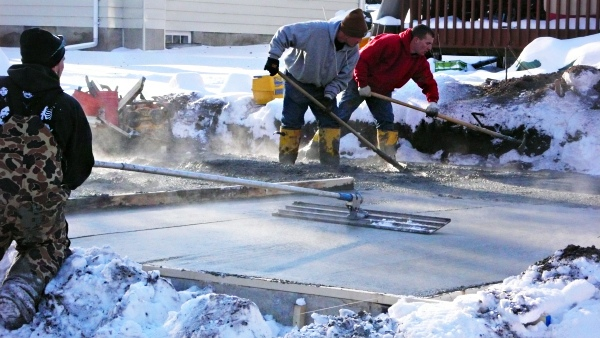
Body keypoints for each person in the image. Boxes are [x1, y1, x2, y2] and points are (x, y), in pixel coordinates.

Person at [0, 28, 94, 330]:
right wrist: (54, 190)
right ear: (56, 64)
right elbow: (80, 166)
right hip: (38, 212)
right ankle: (17, 294)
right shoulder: (65, 106)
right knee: (46, 245)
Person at [304, 24, 439, 161]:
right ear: (416, 40)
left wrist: (432, 101)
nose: (429, 48)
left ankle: (388, 158)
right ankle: (316, 149)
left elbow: (427, 81)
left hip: (382, 91)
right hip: (359, 84)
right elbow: (361, 59)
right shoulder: (389, 42)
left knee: (386, 122)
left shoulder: (419, 62)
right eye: (427, 43)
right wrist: (362, 84)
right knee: (341, 115)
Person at [264, 8, 368, 166]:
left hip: (324, 88)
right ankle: (286, 163)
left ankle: (330, 164)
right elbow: (284, 33)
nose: (360, 41)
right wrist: (273, 57)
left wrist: (330, 93)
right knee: (292, 121)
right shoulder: (316, 31)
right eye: (358, 37)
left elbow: (344, 77)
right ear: (346, 32)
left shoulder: (353, 52)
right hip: (297, 81)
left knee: (332, 122)